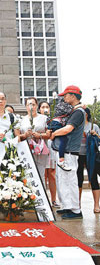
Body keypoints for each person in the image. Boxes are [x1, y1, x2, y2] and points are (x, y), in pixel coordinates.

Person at [51, 85, 85, 220]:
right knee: (63, 180)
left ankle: (76, 210)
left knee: (70, 180)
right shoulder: (74, 111)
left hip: (70, 151)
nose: (64, 98)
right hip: (66, 151)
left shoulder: (78, 112)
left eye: (66, 95)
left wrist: (54, 134)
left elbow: (67, 129)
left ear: (73, 96)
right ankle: (67, 206)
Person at [16, 97, 50, 186]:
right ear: (26, 106)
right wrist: (25, 135)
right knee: (27, 175)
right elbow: (17, 136)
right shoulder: (21, 120)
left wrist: (40, 135)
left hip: (40, 151)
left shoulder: (44, 118)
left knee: (40, 174)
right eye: (29, 104)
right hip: (26, 150)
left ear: (37, 106)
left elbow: (50, 134)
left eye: (33, 104)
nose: (31, 107)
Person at [79, 108, 100, 213]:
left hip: (91, 155)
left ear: (86, 114)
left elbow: (99, 139)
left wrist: (94, 134)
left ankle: (96, 205)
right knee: (78, 179)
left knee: (93, 178)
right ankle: (77, 205)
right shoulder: (76, 125)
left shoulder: (94, 126)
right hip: (78, 155)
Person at [38, 100, 59, 208]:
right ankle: (43, 198)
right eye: (43, 107)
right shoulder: (37, 120)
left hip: (50, 147)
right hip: (39, 148)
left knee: (51, 174)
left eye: (47, 107)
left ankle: (54, 200)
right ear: (39, 109)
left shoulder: (51, 120)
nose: (45, 109)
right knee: (43, 175)